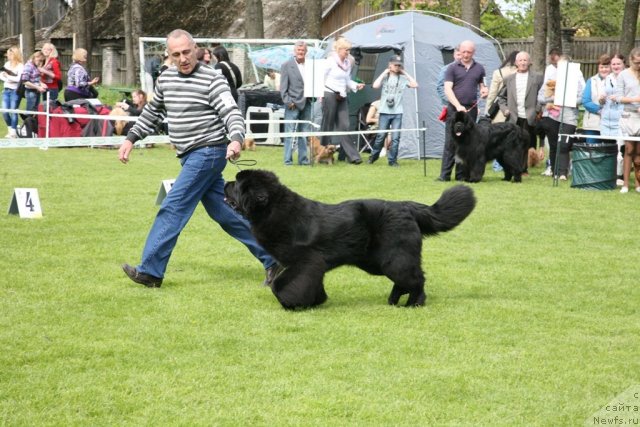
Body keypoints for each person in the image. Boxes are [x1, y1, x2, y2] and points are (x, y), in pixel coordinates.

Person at [117, 29, 278, 287]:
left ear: (197, 50)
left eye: (187, 52)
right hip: (190, 155)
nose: (183, 58)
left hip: (209, 152)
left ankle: (150, 271)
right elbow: (152, 112)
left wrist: (236, 138)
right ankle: (275, 257)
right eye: (176, 54)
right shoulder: (166, 80)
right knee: (226, 213)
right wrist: (130, 138)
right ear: (168, 56)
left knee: (174, 206)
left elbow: (231, 112)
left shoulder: (212, 79)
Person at [437, 40, 489, 181]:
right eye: (463, 52)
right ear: (460, 51)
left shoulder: (480, 68)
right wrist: (458, 105)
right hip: (454, 109)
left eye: (469, 52)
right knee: (450, 142)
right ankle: (444, 175)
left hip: (470, 110)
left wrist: (484, 91)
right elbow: (447, 89)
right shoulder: (452, 68)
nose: (465, 55)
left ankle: (461, 175)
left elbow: (483, 86)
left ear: (473, 52)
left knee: (467, 143)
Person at [537, 54, 585, 181]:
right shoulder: (551, 78)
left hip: (569, 115)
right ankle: (555, 171)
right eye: (559, 66)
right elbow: (540, 97)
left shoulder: (576, 79)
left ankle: (563, 172)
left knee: (564, 144)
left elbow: (583, 97)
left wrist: (571, 100)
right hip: (552, 115)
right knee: (553, 145)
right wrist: (553, 97)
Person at [320, 36, 365, 164]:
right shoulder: (330, 61)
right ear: (339, 49)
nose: (348, 53)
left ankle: (353, 157)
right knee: (327, 125)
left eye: (349, 50)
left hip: (342, 96)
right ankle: (323, 153)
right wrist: (320, 94)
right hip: (329, 94)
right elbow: (320, 77)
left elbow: (347, 80)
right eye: (346, 50)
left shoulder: (347, 63)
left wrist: (356, 85)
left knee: (344, 126)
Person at [497, 51, 544, 173]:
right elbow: (501, 98)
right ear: (516, 63)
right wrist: (504, 109)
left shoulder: (537, 78)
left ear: (529, 62)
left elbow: (542, 95)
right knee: (512, 145)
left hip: (529, 116)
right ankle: (512, 168)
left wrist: (537, 110)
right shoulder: (509, 79)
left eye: (525, 60)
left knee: (526, 144)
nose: (523, 63)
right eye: (520, 60)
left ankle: (523, 170)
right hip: (513, 117)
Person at [367, 55, 418, 167]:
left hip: (397, 112)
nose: (397, 67)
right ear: (390, 65)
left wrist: (405, 73)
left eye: (399, 65)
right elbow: (375, 86)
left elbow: (415, 85)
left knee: (395, 138)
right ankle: (373, 157)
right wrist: (384, 72)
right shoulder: (385, 77)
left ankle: (392, 161)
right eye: (395, 65)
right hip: (384, 112)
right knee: (380, 137)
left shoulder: (403, 79)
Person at [279, 41, 310, 166]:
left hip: (307, 103)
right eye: (299, 50)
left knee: (304, 134)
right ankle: (287, 161)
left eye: (303, 50)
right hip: (292, 104)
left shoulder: (310, 65)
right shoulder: (286, 65)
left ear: (306, 52)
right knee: (289, 134)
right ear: (295, 51)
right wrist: (288, 102)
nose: (301, 52)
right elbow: (283, 87)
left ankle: (303, 160)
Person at [615, 47, 640, 193]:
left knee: (639, 151)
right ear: (631, 60)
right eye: (636, 63)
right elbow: (618, 97)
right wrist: (634, 100)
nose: (639, 66)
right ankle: (625, 183)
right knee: (629, 149)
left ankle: (637, 184)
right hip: (628, 116)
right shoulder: (623, 75)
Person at [600, 53, 626, 183]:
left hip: (621, 118)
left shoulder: (627, 77)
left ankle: (620, 176)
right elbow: (601, 100)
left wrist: (619, 98)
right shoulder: (607, 79)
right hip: (606, 119)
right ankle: (607, 174)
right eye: (613, 64)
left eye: (618, 64)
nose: (615, 66)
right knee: (606, 148)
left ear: (623, 64)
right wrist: (601, 99)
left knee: (619, 149)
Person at [582, 54, 612, 144]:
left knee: (610, 151)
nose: (604, 69)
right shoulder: (591, 81)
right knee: (592, 151)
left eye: (606, 67)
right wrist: (600, 110)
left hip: (611, 124)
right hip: (592, 123)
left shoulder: (617, 80)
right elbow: (586, 101)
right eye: (601, 67)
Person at [485, 50, 518, 123]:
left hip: (501, 108)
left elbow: (492, 93)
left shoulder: (499, 72)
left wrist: (488, 109)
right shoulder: (522, 72)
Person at [0, 46, 24, 138]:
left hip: (15, 91)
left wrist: (8, 77)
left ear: (15, 54)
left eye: (10, 54)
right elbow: (1, 75)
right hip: (6, 90)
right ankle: (10, 129)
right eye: (8, 54)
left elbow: (19, 79)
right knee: (5, 111)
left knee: (13, 111)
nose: (8, 56)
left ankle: (13, 132)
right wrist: (7, 77)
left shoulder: (20, 66)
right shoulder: (6, 64)